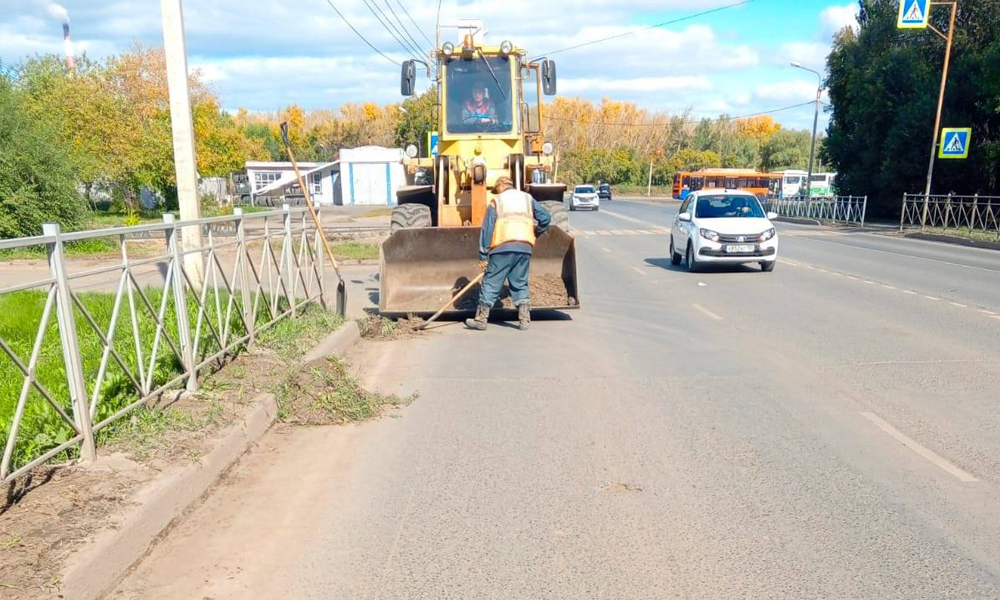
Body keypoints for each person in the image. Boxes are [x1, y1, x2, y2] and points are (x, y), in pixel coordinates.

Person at [465, 176, 551, 332]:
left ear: (500, 185)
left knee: (491, 281)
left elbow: (487, 229)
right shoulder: (527, 198)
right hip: (524, 247)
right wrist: (534, 233)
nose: (495, 192)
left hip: (503, 247)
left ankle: (481, 320)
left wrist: (483, 255)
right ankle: (524, 320)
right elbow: (545, 218)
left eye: (496, 189)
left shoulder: (497, 201)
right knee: (520, 282)